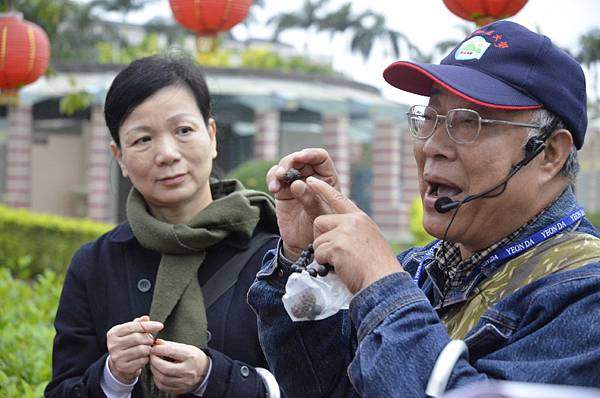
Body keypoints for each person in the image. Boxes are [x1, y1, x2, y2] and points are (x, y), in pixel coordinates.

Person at [247, 20, 600, 397]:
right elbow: (323, 389)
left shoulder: (586, 293)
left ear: (549, 153)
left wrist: (380, 284)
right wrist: (306, 260)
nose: (433, 145)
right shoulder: (419, 268)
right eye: (430, 119)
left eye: (469, 123)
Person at [45, 55, 280, 398]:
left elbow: (318, 382)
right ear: (120, 157)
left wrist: (213, 378)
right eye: (142, 139)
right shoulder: (95, 265)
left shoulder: (275, 255)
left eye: (183, 130)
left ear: (212, 136)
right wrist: (113, 376)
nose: (167, 153)